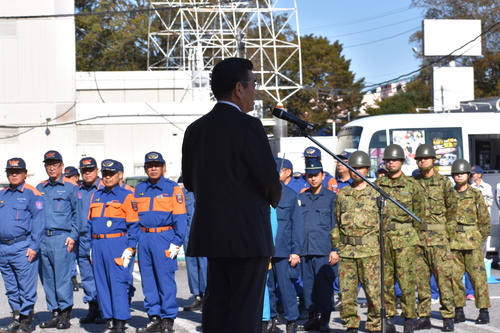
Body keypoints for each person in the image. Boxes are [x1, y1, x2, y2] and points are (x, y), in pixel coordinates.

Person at [181, 57, 282, 333]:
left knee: (217, 305)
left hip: (212, 234)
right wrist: (273, 198)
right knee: (245, 311)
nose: (254, 92)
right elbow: (269, 180)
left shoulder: (195, 130)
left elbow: (189, 182)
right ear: (239, 88)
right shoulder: (248, 126)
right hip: (248, 234)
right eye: (253, 85)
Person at [374, 144, 426, 333]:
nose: (391, 163)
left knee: (406, 283)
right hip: (383, 240)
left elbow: (420, 215)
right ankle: (388, 318)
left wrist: (413, 239)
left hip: (405, 241)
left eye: (394, 160)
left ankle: (409, 319)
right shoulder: (378, 185)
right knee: (385, 282)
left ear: (402, 162)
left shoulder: (413, 186)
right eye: (388, 160)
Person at [134, 152, 187, 333]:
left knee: (165, 280)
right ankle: (154, 317)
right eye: (150, 165)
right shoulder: (139, 189)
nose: (153, 168)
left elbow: (180, 217)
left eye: (157, 165)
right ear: (146, 168)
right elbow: (134, 218)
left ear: (164, 168)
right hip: (144, 237)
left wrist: (176, 241)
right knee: (148, 279)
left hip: (164, 238)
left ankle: (168, 319)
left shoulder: (173, 189)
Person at [331, 151, 381, 333]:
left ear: (367, 169)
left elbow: (385, 224)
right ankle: (350, 324)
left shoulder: (377, 194)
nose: (356, 171)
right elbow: (336, 222)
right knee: (347, 293)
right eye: (353, 168)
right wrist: (335, 247)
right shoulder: (343, 194)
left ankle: (374, 324)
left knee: (373, 292)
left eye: (360, 167)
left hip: (370, 251)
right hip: (347, 251)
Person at [88, 159, 140, 333]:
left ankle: (120, 320)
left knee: (118, 282)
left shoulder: (127, 196)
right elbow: (89, 222)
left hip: (117, 243)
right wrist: (89, 246)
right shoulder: (96, 195)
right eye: (105, 174)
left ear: (120, 175)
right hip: (97, 243)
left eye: (111, 174)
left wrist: (130, 247)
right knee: (101, 282)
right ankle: (108, 317)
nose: (108, 177)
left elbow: (134, 224)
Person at [412, 144, 457, 332]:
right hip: (418, 238)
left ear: (433, 160)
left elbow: (453, 212)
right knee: (421, 281)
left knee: (444, 280)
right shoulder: (413, 182)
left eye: (426, 158)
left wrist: (450, 239)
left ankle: (448, 316)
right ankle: (424, 316)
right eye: (420, 158)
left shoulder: (444, 183)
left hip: (439, 239)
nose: (422, 160)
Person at [0, 158, 45, 333]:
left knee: (26, 286)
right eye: (10, 172)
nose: (14, 174)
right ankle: (16, 317)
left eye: (17, 171)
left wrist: (34, 246)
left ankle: (26, 320)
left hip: (22, 246)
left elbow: (39, 222)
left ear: (25, 174)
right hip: (3, 248)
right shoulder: (2, 194)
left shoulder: (32, 193)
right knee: (10, 286)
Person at [36, 150, 79, 330]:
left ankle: (65, 314)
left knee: (62, 278)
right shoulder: (40, 188)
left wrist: (73, 236)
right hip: (43, 239)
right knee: (47, 278)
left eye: (55, 164)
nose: (51, 168)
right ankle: (54, 312)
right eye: (48, 165)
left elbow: (78, 214)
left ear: (62, 166)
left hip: (62, 238)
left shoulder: (71, 187)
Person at [298, 158, 338, 332]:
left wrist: (335, 250)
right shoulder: (301, 197)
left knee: (324, 287)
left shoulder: (331, 198)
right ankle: (312, 318)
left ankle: (325, 320)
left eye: (316, 175)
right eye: (310, 175)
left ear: (323, 175)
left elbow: (336, 225)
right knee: (308, 287)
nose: (313, 179)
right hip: (305, 251)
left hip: (324, 251)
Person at [449, 159, 491, 325]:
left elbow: (485, 221)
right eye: (457, 173)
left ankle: (484, 310)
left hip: (472, 241)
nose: (459, 175)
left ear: (468, 175)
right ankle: (458, 310)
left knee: (477, 278)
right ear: (453, 176)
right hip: (453, 243)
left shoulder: (475, 194)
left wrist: (479, 238)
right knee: (454, 278)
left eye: (463, 173)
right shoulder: (449, 195)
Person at [266, 158, 303, 333]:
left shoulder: (289, 195)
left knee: (286, 287)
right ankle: (271, 318)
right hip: (266, 250)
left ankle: (291, 321)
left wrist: (296, 251)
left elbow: (297, 225)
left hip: (284, 250)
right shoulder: (262, 193)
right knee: (268, 287)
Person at [75, 157, 106, 324]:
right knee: (86, 276)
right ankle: (92, 308)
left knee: (100, 274)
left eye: (90, 170)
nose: (87, 173)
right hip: (81, 238)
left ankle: (104, 308)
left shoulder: (104, 188)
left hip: (98, 237)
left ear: (96, 171)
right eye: (84, 170)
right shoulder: (77, 190)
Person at [178, 175, 207, 313]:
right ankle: (197, 296)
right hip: (189, 231)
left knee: (205, 264)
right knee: (192, 264)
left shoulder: (209, 190)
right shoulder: (185, 192)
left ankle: (208, 295)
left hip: (205, 230)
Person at [64, 166, 81, 293]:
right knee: (70, 256)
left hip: (84, 230)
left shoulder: (81, 189)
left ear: (77, 177)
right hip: (71, 229)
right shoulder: (66, 189)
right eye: (66, 177)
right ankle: (73, 278)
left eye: (71, 177)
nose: (68, 179)